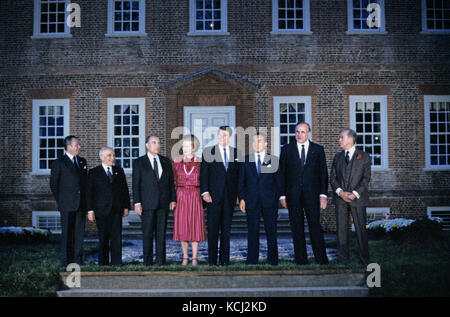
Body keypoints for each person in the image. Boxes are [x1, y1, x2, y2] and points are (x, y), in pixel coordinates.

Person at [279, 122, 329, 265]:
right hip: (292, 195)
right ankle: (301, 259)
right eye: (297, 132)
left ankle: (321, 258)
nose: (299, 135)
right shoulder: (287, 149)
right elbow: (281, 173)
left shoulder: (318, 150)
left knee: (315, 226)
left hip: (312, 195)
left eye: (302, 132)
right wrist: (282, 195)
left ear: (309, 133)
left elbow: (323, 174)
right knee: (296, 227)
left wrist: (323, 195)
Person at [132, 136, 177, 266]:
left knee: (161, 233)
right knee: (147, 233)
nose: (157, 145)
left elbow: (170, 183)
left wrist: (173, 199)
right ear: (147, 145)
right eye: (154, 142)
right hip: (147, 203)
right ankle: (147, 261)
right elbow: (136, 184)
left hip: (163, 203)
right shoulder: (139, 162)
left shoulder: (166, 161)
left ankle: (161, 261)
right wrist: (137, 202)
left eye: (158, 142)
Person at [238, 133, 281, 265]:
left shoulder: (273, 160)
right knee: (252, 231)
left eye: (260, 141)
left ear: (265, 144)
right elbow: (241, 182)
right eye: (254, 142)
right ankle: (252, 260)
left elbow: (278, 182)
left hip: (269, 202)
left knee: (271, 231)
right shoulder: (246, 160)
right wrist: (242, 199)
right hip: (251, 201)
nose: (257, 144)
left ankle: (273, 260)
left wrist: (276, 200)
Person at [330, 128, 371, 265]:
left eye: (342, 137)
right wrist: (341, 192)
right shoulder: (337, 157)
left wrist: (354, 194)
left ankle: (364, 260)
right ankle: (343, 260)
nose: (339, 140)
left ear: (350, 139)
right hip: (340, 199)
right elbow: (333, 178)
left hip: (358, 199)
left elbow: (366, 178)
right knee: (341, 230)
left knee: (360, 229)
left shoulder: (364, 156)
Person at [200, 126, 240, 266]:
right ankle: (212, 261)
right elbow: (203, 174)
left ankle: (225, 260)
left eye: (225, 136)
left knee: (226, 230)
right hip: (213, 198)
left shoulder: (236, 153)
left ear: (229, 137)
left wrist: (238, 195)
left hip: (229, 197)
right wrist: (205, 192)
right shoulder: (208, 152)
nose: (222, 138)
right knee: (212, 230)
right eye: (220, 135)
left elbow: (239, 177)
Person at [86, 147, 130, 266]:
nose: (112, 158)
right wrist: (90, 210)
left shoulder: (119, 171)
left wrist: (126, 207)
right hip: (101, 210)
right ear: (102, 157)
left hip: (117, 209)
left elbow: (124, 190)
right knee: (103, 238)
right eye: (109, 155)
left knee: (116, 238)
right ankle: (103, 263)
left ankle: (117, 262)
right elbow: (89, 193)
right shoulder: (94, 172)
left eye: (113, 155)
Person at [50, 135, 88, 267]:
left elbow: (85, 184)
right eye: (77, 145)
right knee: (67, 234)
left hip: (80, 204)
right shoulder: (59, 162)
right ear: (68, 146)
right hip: (66, 204)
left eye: (79, 145)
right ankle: (66, 262)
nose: (79, 147)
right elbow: (54, 185)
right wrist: (61, 201)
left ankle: (78, 261)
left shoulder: (82, 162)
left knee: (79, 234)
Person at [172, 135, 206, 267]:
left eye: (187, 146)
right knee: (183, 226)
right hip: (181, 195)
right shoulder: (176, 161)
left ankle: (195, 258)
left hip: (195, 196)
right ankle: (185, 257)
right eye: (183, 146)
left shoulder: (201, 162)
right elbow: (173, 181)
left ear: (193, 147)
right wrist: (173, 198)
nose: (185, 148)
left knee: (195, 225)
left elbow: (204, 180)